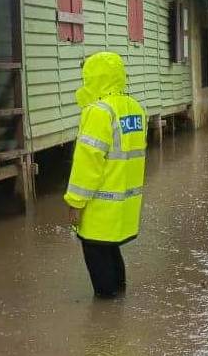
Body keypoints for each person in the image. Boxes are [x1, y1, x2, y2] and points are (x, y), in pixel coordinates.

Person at [63, 52, 147, 298]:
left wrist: (75, 202)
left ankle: (107, 327)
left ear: (94, 77)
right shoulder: (134, 108)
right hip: (126, 203)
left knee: (97, 255)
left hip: (100, 205)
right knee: (111, 250)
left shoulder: (98, 112)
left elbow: (87, 163)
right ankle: (118, 307)